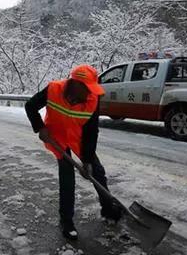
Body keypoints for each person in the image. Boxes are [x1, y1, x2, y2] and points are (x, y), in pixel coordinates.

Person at [24, 64, 122, 240]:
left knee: (97, 171)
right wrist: (40, 127)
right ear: (75, 84)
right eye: (87, 88)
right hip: (58, 138)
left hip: (79, 139)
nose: (90, 93)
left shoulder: (93, 98)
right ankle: (66, 221)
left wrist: (87, 160)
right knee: (67, 177)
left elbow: (92, 131)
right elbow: (30, 106)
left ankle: (108, 210)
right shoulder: (53, 89)